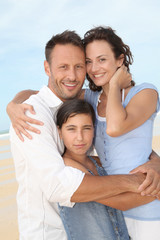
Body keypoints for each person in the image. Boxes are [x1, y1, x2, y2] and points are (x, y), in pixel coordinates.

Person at [8, 30, 147, 239]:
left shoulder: (82, 105)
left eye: (79, 66)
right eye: (63, 67)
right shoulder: (30, 114)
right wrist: (131, 181)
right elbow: (58, 186)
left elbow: (117, 145)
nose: (72, 76)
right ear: (47, 68)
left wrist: (154, 162)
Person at [83, 26, 160, 240]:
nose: (94, 68)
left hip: (150, 210)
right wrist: (13, 105)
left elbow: (115, 128)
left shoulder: (145, 93)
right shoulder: (90, 98)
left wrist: (115, 84)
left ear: (120, 60)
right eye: (89, 61)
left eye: (102, 59)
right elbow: (44, 94)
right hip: (114, 211)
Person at [56, 98, 155, 240]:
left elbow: (135, 154)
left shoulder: (98, 162)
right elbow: (122, 202)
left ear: (94, 129)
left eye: (86, 128)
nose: (80, 137)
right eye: (71, 129)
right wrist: (156, 190)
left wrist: (155, 162)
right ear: (60, 132)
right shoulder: (68, 168)